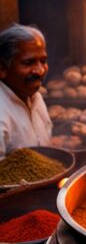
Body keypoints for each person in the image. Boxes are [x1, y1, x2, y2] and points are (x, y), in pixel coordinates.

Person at [0, 24, 51, 159]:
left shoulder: (36, 98)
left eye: (43, 61)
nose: (40, 71)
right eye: (28, 62)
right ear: (3, 68)